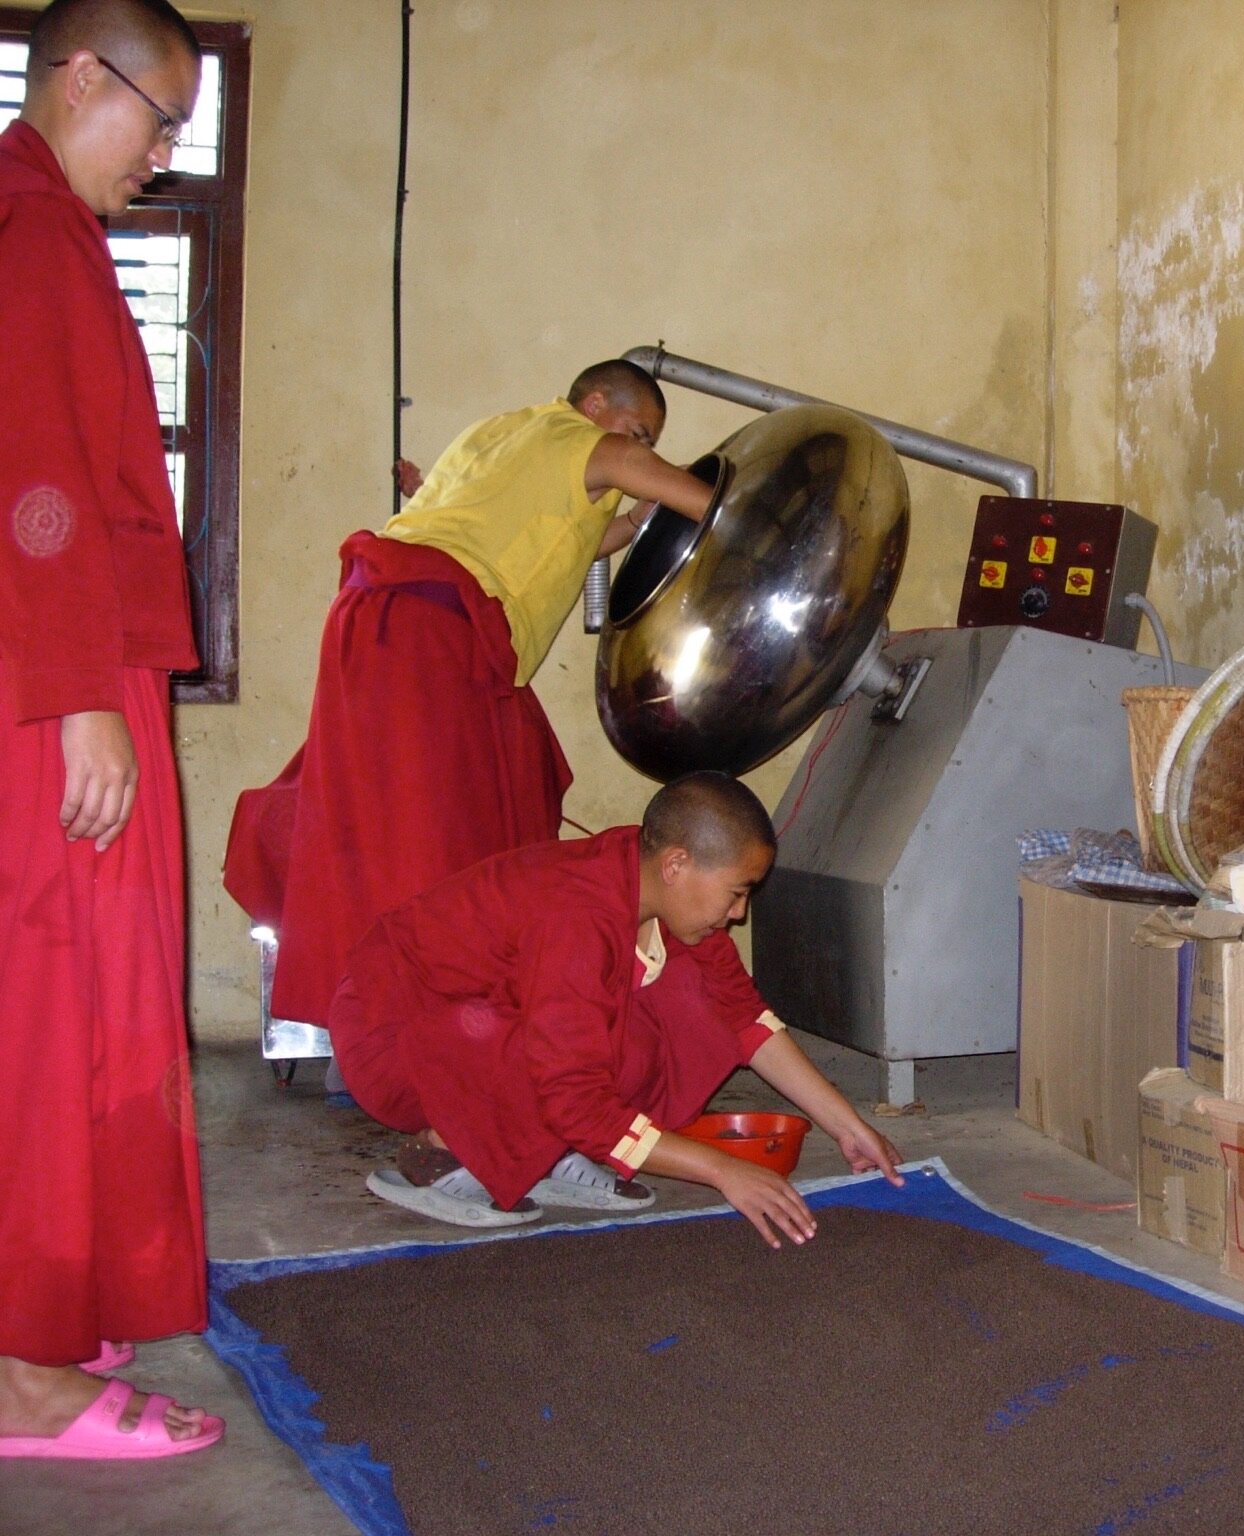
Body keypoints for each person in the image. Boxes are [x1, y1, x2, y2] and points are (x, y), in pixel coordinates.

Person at [223, 357, 718, 1053]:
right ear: (596, 403)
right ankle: (402, 1037)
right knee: (429, 846)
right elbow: (707, 505)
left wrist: (637, 520)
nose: (641, 450)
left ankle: (398, 1024)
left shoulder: (500, 435)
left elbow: (581, 541)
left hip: (382, 619)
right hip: (430, 629)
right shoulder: (587, 444)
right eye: (638, 431)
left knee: (496, 793)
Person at [0, 0, 222, 1461]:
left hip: (67, 671)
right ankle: (26, 1384)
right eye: (157, 116)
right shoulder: (29, 235)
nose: (163, 152)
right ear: (81, 76)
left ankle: (46, 1312)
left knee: (87, 1011)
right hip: (45, 689)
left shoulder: (50, 232)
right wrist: (83, 692)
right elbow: (36, 475)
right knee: (52, 1013)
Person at [330, 772, 904, 1245]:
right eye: (737, 892)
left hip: (469, 1026)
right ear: (676, 864)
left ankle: (544, 1153)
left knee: (683, 1004)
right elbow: (574, 1095)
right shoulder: (575, 916)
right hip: (395, 1041)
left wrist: (845, 1124)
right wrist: (722, 1170)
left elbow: (743, 1017)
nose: (739, 913)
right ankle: (439, 1154)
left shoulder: (649, 881)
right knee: (576, 1057)